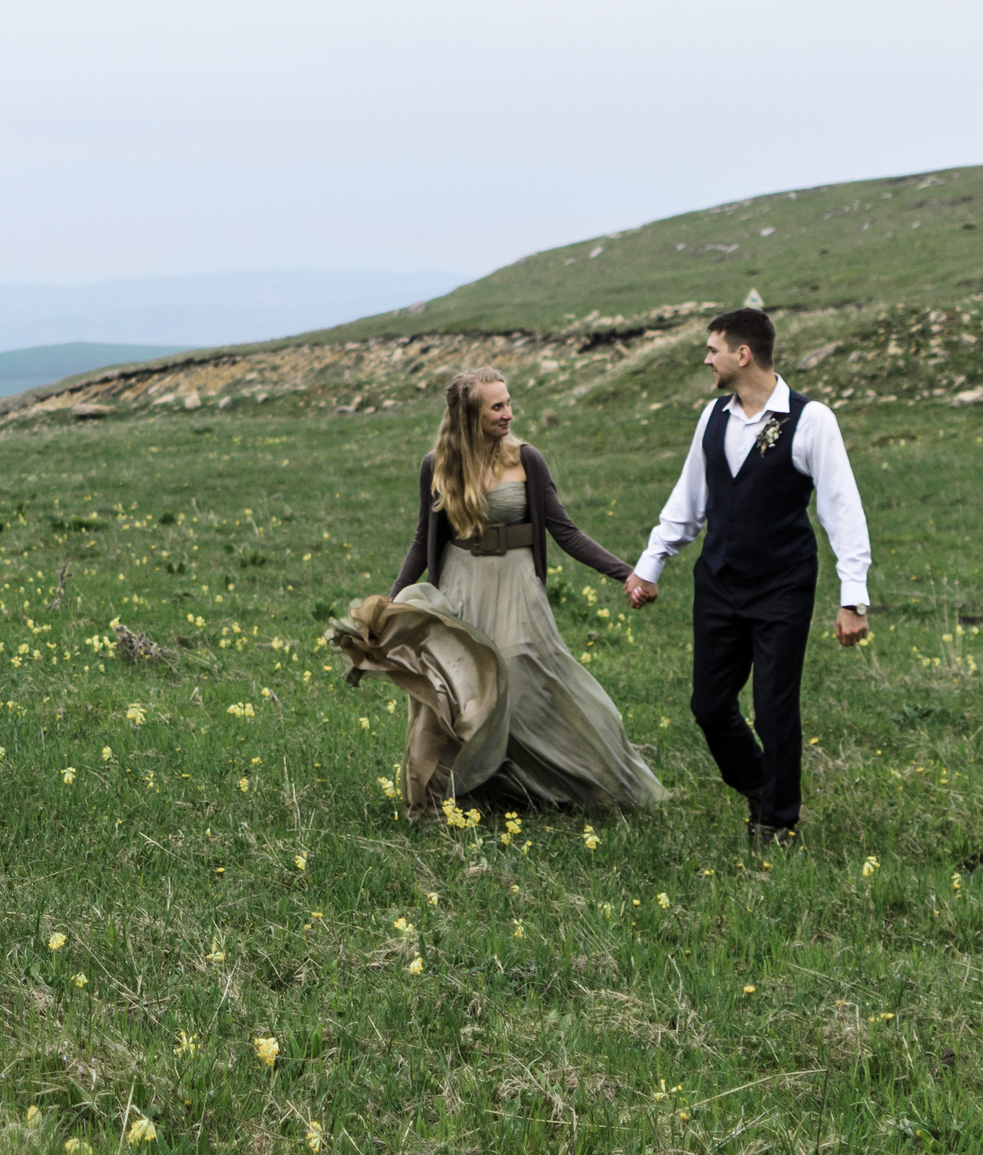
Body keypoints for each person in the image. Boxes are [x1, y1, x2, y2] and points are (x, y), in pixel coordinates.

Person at [328, 366, 665, 819]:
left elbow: (565, 531)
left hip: (517, 582)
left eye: (509, 403)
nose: (509, 413)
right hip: (462, 584)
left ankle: (587, 777)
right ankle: (467, 790)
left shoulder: (526, 459)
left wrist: (629, 574)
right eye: (497, 406)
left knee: (522, 667)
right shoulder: (437, 465)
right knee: (463, 686)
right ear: (469, 414)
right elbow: (421, 541)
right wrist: (390, 603)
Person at [623, 307, 869, 846]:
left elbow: (841, 509)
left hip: (783, 584)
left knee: (774, 706)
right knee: (709, 706)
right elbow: (689, 501)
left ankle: (778, 822)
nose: (706, 359)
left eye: (712, 349)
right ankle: (760, 784)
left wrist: (854, 597)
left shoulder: (811, 420)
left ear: (743, 354)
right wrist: (650, 563)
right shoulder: (713, 417)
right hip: (718, 582)